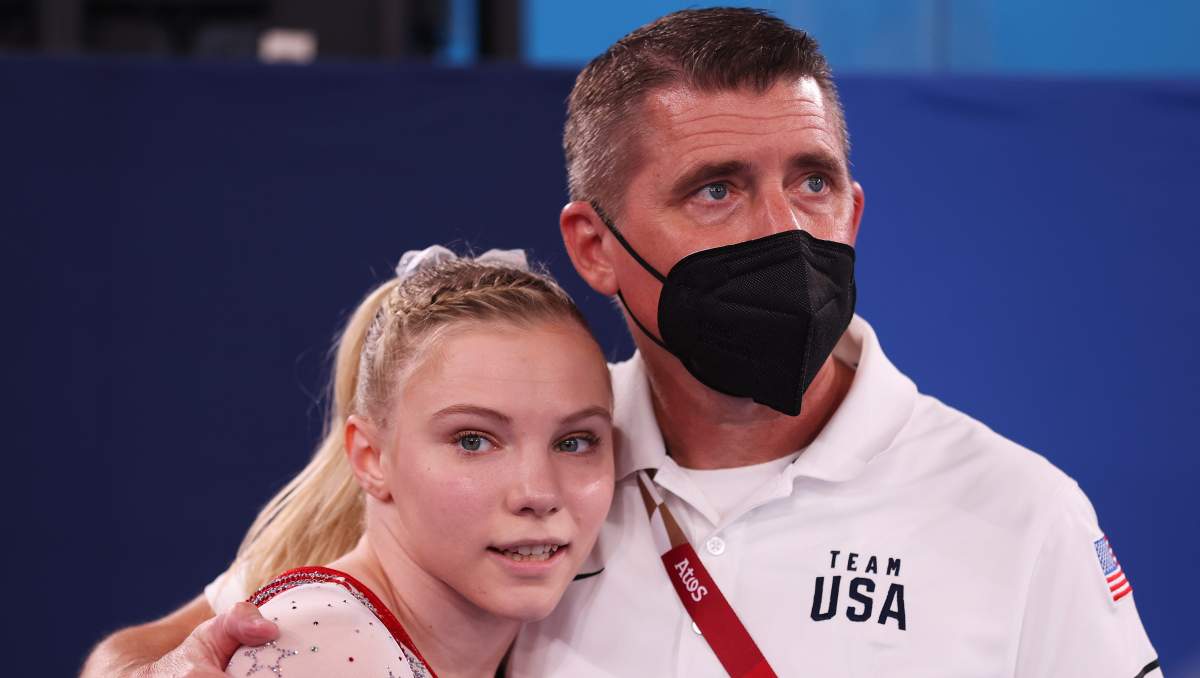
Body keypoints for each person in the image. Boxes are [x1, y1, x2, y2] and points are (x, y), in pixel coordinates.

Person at [83, 8, 1160, 678]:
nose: (782, 231)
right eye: (717, 189)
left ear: (855, 208)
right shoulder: (521, 463)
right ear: (594, 245)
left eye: (812, 182)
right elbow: (141, 655)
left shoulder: (1021, 515)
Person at [149, 246, 616, 678]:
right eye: (474, 441)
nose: (539, 493)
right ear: (371, 457)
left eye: (574, 442)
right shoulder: (324, 646)